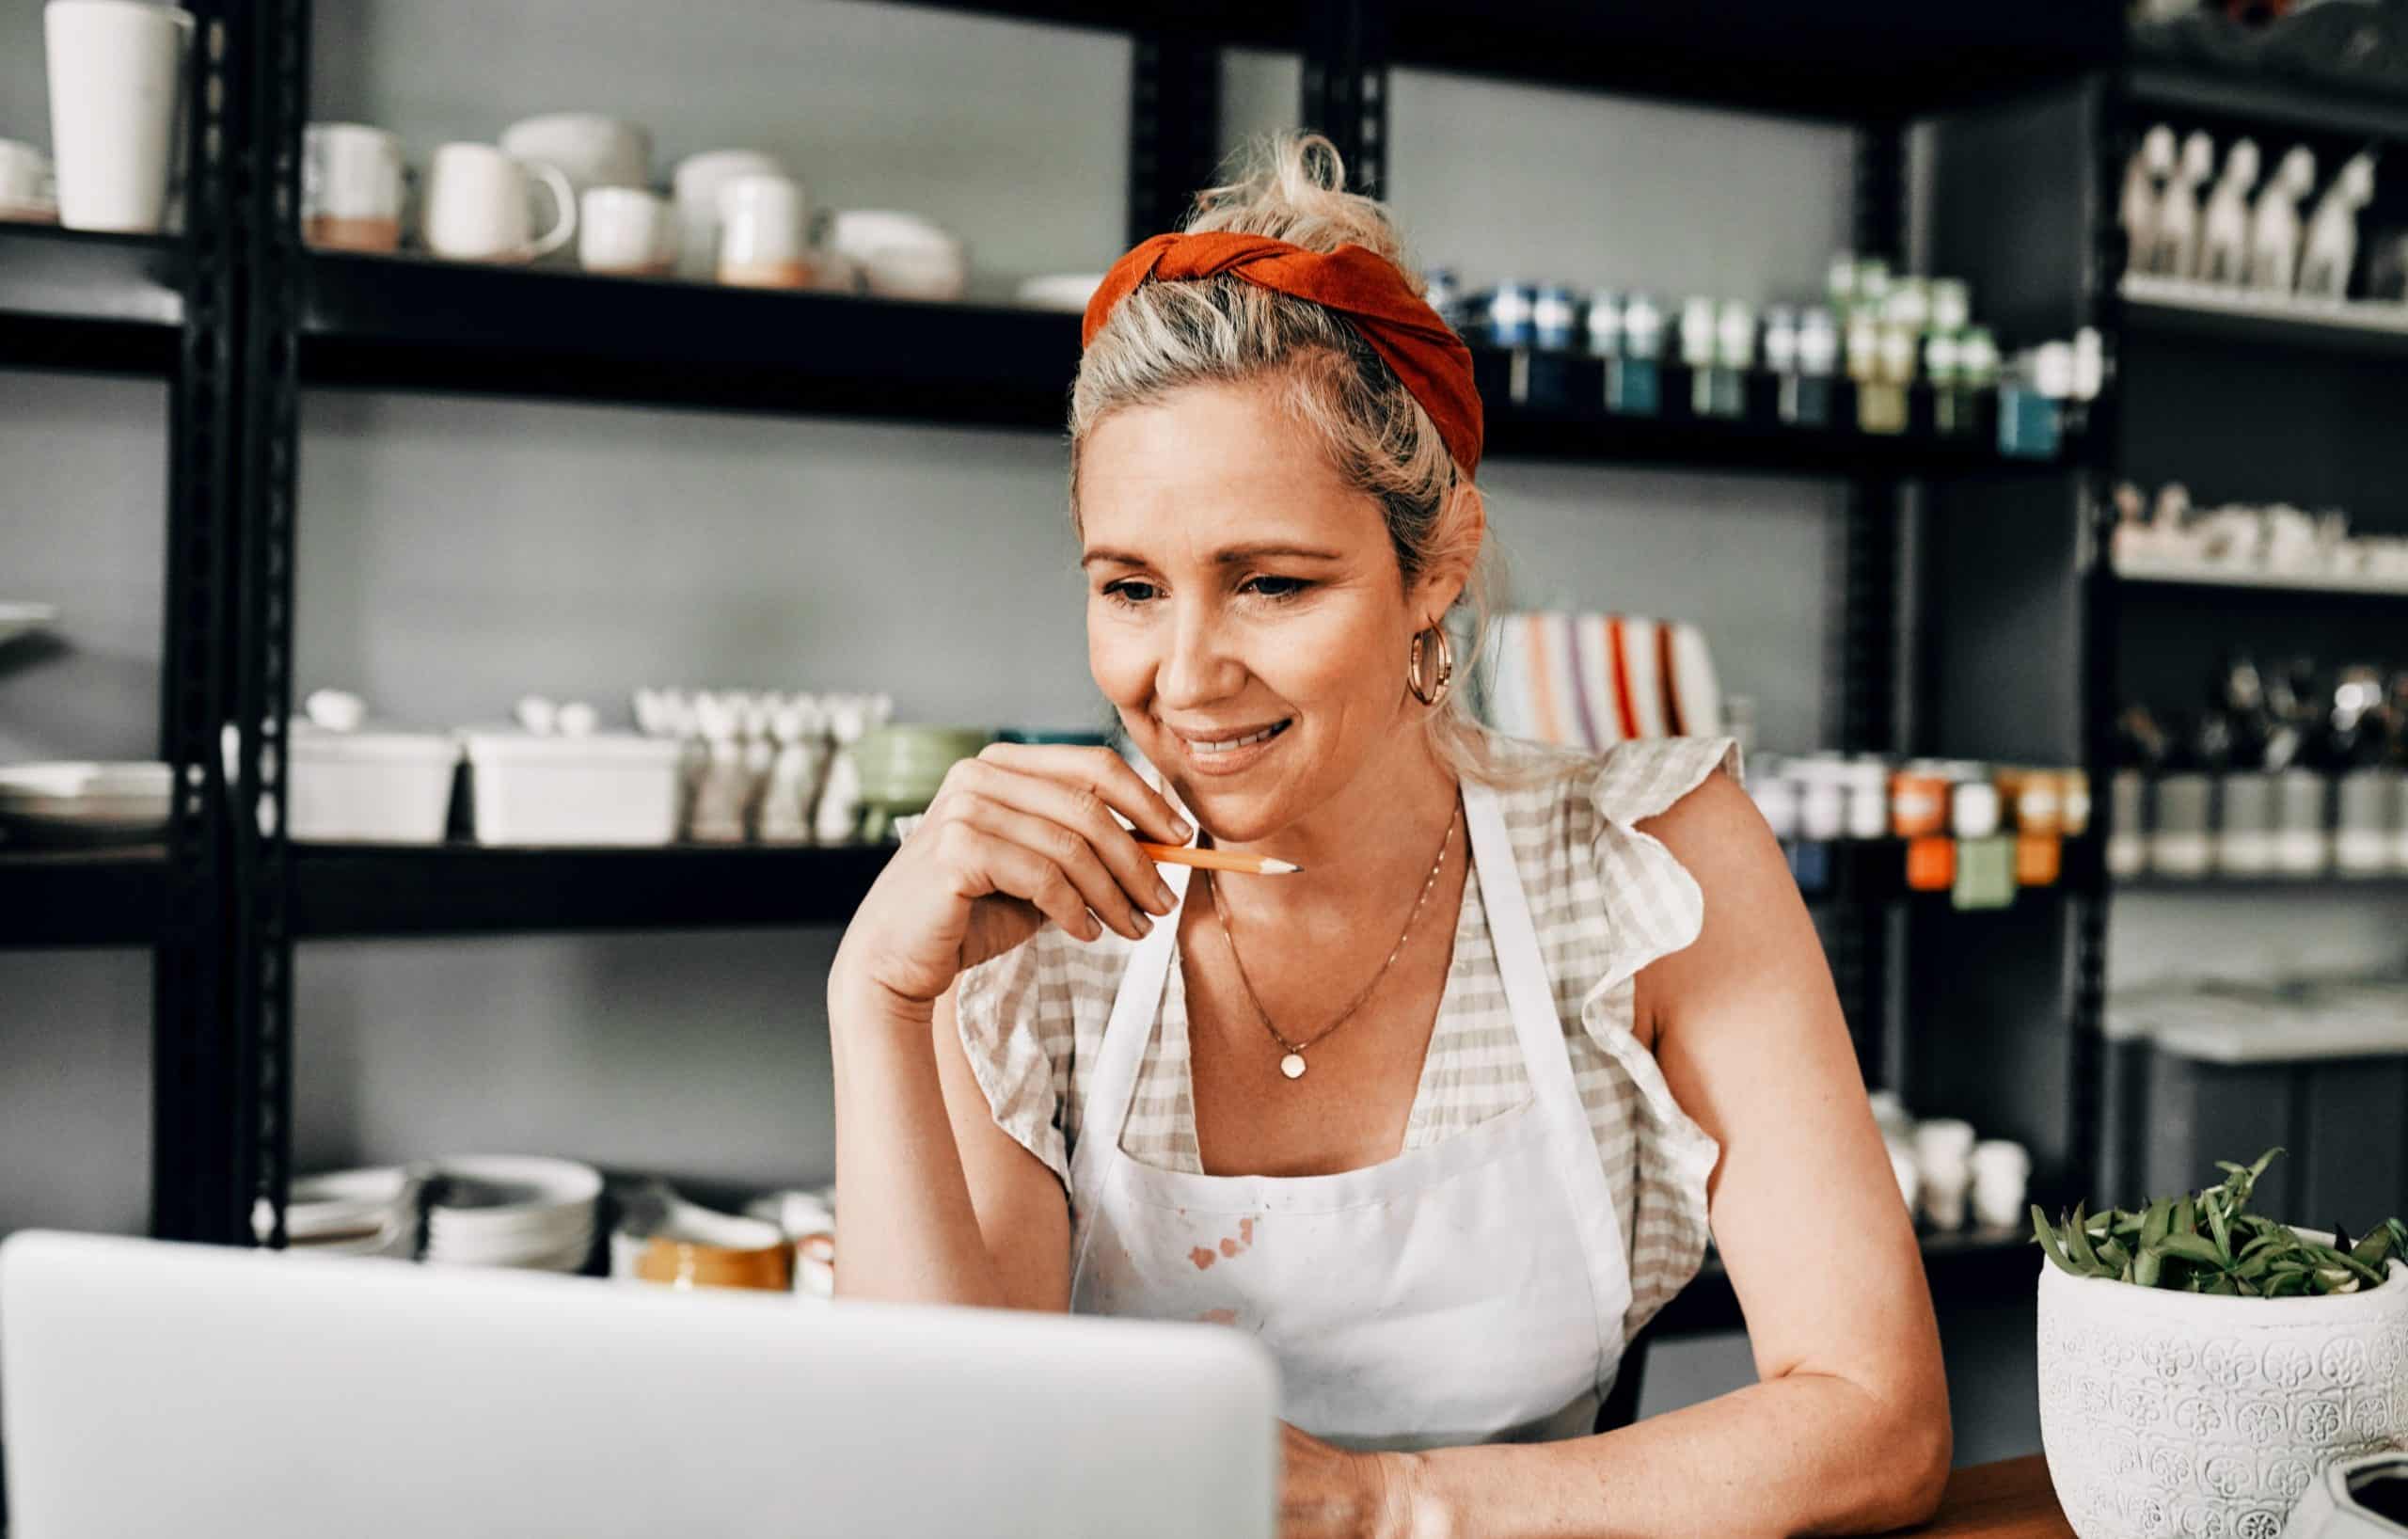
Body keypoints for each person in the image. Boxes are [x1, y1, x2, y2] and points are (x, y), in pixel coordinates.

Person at [829, 134, 1950, 1538]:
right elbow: (933, 1476)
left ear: (1439, 569)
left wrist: (1385, 1504)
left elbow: (1879, 1419)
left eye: (1272, 586)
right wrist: (873, 998)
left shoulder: (1648, 863)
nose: (1181, 677)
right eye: (1128, 587)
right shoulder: (1028, 921)